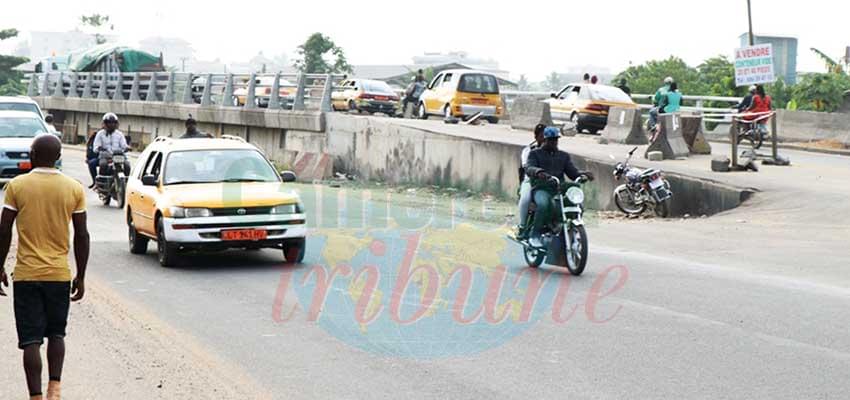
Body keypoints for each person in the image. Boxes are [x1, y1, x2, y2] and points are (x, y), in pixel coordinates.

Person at [0, 134, 90, 400]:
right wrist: (81, 275)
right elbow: (82, 235)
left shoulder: (17, 186)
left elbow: (4, 229)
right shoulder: (73, 188)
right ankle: (55, 390)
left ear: (33, 155)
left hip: (27, 275)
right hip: (59, 275)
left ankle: (35, 397)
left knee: (31, 340)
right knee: (56, 334)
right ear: (59, 156)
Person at [524, 127, 594, 248]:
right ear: (544, 140)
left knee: (577, 206)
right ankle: (535, 235)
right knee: (544, 204)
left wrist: (583, 174)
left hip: (559, 189)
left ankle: (567, 229)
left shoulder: (563, 156)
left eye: (556, 140)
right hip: (541, 188)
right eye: (551, 140)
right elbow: (529, 167)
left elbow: (573, 173)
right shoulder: (534, 154)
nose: (553, 142)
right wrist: (538, 172)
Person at [516, 124, 547, 238]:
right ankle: (522, 226)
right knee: (525, 199)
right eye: (542, 135)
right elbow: (526, 167)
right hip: (531, 182)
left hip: (549, 182)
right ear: (536, 137)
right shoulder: (528, 151)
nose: (545, 139)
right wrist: (537, 172)